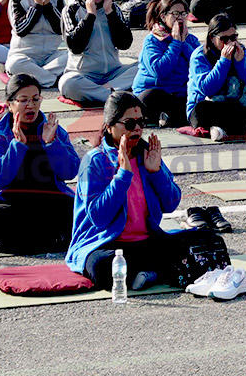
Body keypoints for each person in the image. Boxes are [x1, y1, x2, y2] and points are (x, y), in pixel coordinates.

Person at [65, 92, 199, 291]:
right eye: (129, 124)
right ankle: (157, 272)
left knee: (203, 242)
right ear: (110, 127)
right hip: (105, 244)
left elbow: (171, 204)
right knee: (102, 267)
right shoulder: (96, 161)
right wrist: (122, 177)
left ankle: (146, 274)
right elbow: (99, 218)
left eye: (140, 123)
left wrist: (156, 173)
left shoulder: (146, 154)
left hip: (145, 242)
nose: (136, 129)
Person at [0, 73, 79, 254]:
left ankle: (26, 241)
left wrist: (52, 144)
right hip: (10, 202)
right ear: (9, 104)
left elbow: (70, 172)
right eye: (23, 100)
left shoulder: (51, 128)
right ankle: (47, 240)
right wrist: (17, 145)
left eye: (35, 99)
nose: (31, 105)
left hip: (48, 200)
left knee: (77, 211)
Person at [59, 0, 135, 105]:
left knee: (143, 67)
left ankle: (105, 92)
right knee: (67, 83)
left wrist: (109, 13)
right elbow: (75, 46)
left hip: (113, 73)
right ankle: (114, 96)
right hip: (83, 75)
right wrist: (90, 15)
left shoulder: (113, 8)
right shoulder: (71, 10)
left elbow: (125, 43)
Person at [186, 13, 246, 138]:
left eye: (233, 37)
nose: (230, 42)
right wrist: (223, 62)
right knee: (201, 111)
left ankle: (224, 129)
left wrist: (240, 63)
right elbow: (207, 88)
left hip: (238, 105)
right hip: (211, 106)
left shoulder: (241, 52)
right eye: (224, 39)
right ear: (211, 37)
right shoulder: (199, 56)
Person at [132, 0, 200, 128]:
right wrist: (175, 43)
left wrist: (183, 43)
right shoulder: (152, 40)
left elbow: (200, 66)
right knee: (150, 97)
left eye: (183, 13)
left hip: (180, 93)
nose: (180, 17)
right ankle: (164, 116)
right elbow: (160, 71)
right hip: (157, 92)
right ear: (163, 16)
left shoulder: (191, 40)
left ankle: (170, 117)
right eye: (175, 14)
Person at [5, 0, 68, 87]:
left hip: (51, 57)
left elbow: (61, 29)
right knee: (14, 64)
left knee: (74, 57)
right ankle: (52, 80)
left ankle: (38, 77)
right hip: (25, 55)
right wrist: (37, 6)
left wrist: (49, 6)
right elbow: (20, 30)